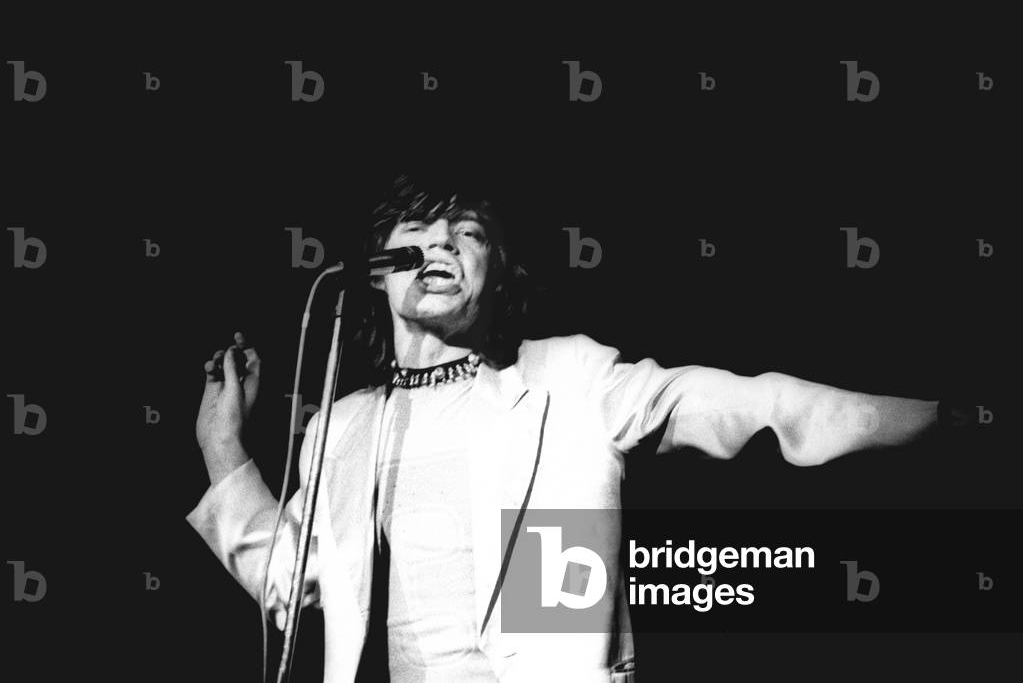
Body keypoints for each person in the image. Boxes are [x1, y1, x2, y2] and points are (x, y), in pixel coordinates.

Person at [188, 176, 940, 683]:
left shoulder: (567, 381)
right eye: (419, 228)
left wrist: (942, 421)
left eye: (467, 231)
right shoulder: (343, 426)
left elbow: (754, 403)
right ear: (380, 268)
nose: (442, 242)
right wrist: (222, 446)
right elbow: (291, 590)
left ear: (496, 267)